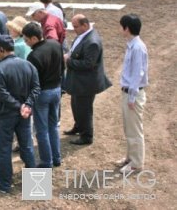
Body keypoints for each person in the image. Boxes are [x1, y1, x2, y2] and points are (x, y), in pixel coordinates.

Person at [0, 35, 40, 194]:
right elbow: (36, 89)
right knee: (26, 145)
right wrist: (27, 105)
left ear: (1, 49)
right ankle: (34, 185)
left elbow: (2, 93)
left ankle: (4, 183)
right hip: (24, 114)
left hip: (6, 114)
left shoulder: (0, 68)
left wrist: (19, 106)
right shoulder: (28, 65)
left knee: (4, 148)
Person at [63, 14, 112, 145]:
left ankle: (87, 136)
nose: (74, 29)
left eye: (75, 26)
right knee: (76, 106)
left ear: (85, 25)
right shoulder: (83, 36)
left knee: (84, 109)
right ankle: (78, 127)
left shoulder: (92, 42)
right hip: (79, 81)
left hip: (86, 83)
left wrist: (69, 60)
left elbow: (88, 64)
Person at [22, 22, 63, 168]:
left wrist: (28, 101)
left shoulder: (33, 56)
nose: (26, 43)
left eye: (26, 40)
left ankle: (47, 161)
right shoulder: (55, 44)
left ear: (34, 38)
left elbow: (32, 82)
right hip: (56, 90)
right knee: (53, 126)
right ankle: (56, 157)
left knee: (42, 130)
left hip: (43, 94)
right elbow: (62, 67)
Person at [117, 14, 148, 174]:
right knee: (129, 127)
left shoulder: (137, 47)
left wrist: (132, 96)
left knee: (134, 129)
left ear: (127, 28)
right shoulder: (132, 45)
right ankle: (130, 157)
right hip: (128, 92)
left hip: (133, 93)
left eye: (121, 26)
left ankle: (136, 163)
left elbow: (138, 73)